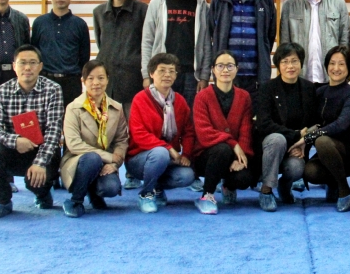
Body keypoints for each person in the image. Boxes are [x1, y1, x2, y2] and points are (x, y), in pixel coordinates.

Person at [0, 45, 64, 219]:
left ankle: (42, 193)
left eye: (32, 63)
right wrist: (15, 141)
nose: (27, 67)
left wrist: (39, 163)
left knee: (36, 179)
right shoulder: (0, 92)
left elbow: (54, 131)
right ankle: (2, 202)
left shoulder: (53, 89)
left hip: (43, 150)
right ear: (14, 66)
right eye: (22, 63)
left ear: (40, 66)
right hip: (15, 149)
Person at [93, 0, 148, 190]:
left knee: (133, 130)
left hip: (133, 78)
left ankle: (133, 172)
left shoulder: (142, 10)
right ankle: (107, 169)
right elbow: (101, 43)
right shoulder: (99, 12)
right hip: (107, 81)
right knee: (106, 129)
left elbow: (146, 43)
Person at [126, 53, 195, 213]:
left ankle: (157, 187)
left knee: (187, 176)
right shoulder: (140, 99)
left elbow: (189, 131)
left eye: (171, 71)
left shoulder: (179, 101)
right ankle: (146, 194)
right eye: (162, 70)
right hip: (139, 158)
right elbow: (139, 134)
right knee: (160, 153)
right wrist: (168, 148)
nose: (167, 75)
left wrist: (186, 154)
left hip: (168, 159)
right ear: (151, 74)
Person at [59, 60, 129, 218]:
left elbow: (121, 140)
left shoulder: (116, 108)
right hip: (78, 161)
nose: (96, 83)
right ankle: (75, 201)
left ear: (107, 80)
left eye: (101, 78)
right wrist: (108, 156)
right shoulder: (73, 108)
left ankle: (94, 192)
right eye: (90, 78)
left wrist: (114, 163)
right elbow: (74, 144)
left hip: (104, 163)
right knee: (92, 159)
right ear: (83, 81)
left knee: (111, 188)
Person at [255, 42, 318, 212]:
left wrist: (304, 143)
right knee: (278, 139)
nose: (290, 66)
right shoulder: (267, 88)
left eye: (294, 61)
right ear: (278, 65)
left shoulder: (309, 88)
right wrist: (295, 135)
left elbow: (315, 124)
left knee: (296, 167)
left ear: (301, 63)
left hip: (296, 147)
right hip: (271, 146)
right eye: (285, 62)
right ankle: (266, 190)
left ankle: (285, 185)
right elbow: (264, 124)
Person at [210, 0, 277, 112]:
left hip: (256, 75)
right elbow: (213, 31)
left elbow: (270, 34)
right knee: (228, 117)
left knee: (254, 117)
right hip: (227, 75)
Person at [141, 0, 211, 108]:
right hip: (163, 72)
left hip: (191, 75)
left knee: (189, 117)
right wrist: (147, 74)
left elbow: (206, 43)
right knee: (162, 116)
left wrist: (204, 76)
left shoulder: (200, 5)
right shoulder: (156, 4)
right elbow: (147, 41)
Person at [191, 50, 255, 214]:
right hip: (206, 155)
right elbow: (204, 133)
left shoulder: (244, 96)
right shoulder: (202, 97)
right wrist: (233, 144)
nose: (225, 70)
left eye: (230, 66)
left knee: (244, 178)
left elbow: (246, 130)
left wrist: (240, 157)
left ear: (237, 69)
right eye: (220, 66)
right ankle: (206, 195)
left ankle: (228, 186)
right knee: (222, 149)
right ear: (213, 69)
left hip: (232, 155)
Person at [302, 45, 350, 212]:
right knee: (310, 172)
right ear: (326, 66)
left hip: (348, 152)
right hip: (325, 151)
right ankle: (333, 184)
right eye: (332, 63)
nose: (336, 68)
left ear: (349, 68)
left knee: (322, 141)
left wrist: (310, 137)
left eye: (341, 64)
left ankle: (345, 191)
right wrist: (304, 151)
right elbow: (311, 123)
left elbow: (341, 125)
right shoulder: (319, 92)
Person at [280, 0, 350, 84]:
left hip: (330, 77)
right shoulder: (289, 5)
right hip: (300, 78)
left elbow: (344, 42)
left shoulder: (338, 4)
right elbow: (285, 44)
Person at [31, 0, 90, 109]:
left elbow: (84, 57)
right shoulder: (39, 23)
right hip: (45, 81)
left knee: (71, 119)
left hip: (71, 83)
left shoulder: (80, 24)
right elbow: (34, 53)